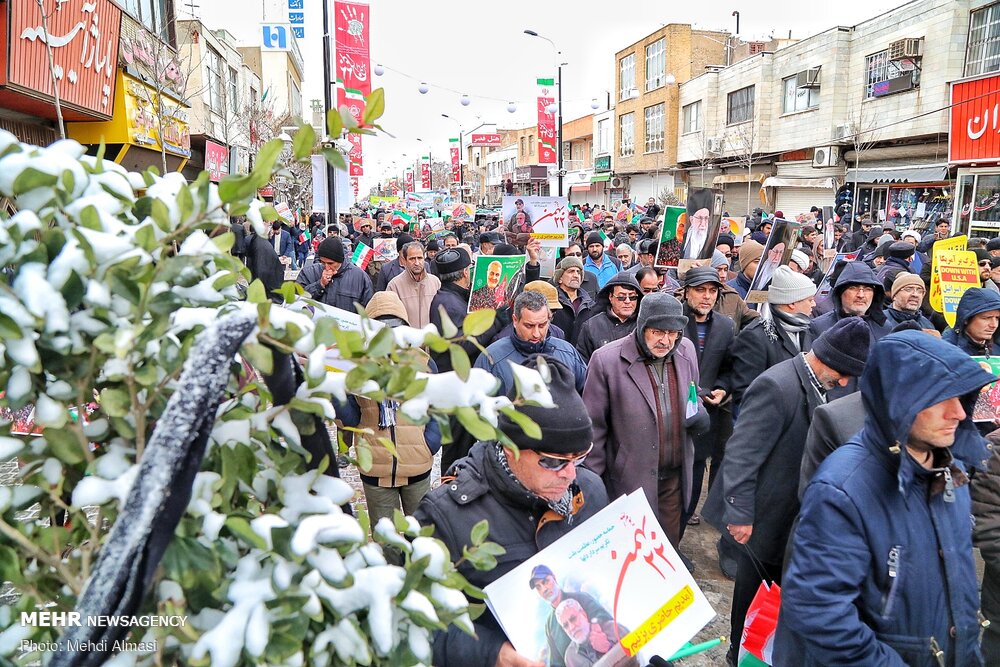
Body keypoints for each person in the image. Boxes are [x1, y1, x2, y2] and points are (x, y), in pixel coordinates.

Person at [775, 331, 994, 667]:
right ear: (900, 400)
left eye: (961, 397)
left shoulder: (952, 468)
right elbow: (821, 614)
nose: (959, 413)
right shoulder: (841, 489)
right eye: (941, 399)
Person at [414, 359, 608, 667]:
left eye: (580, 457)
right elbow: (412, 622)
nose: (570, 474)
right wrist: (493, 654)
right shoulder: (446, 515)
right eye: (554, 462)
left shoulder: (591, 490)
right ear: (510, 448)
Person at [704, 317, 871, 667]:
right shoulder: (776, 385)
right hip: (762, 520)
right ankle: (740, 652)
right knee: (752, 597)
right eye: (841, 372)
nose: (844, 382)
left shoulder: (829, 383)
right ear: (823, 356)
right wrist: (739, 514)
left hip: (792, 518)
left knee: (780, 596)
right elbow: (741, 453)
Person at [584, 293, 709, 548]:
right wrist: (591, 489)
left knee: (666, 553)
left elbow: (694, 393)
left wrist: (699, 412)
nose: (666, 340)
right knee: (629, 554)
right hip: (629, 482)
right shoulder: (607, 361)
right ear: (642, 327)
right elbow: (594, 431)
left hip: (673, 480)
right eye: (658, 332)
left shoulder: (686, 351)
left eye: (673, 333)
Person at [332, 292, 440, 545]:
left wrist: (430, 442)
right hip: (376, 469)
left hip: (417, 466)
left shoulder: (422, 362)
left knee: (422, 538)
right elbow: (351, 418)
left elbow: (438, 407)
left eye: (394, 327)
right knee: (386, 541)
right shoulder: (357, 367)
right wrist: (335, 389)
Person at [676, 267, 735, 537]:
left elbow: (729, 367)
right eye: (701, 290)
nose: (707, 297)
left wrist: (722, 388)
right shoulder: (673, 321)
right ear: (686, 292)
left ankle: (681, 529)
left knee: (694, 480)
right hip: (671, 413)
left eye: (712, 291)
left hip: (705, 418)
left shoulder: (725, 326)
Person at [730, 266, 817, 407]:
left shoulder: (805, 329)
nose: (814, 304)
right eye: (810, 300)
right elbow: (745, 392)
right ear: (792, 303)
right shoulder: (755, 337)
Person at [474, 291, 588, 396]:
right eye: (529, 326)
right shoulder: (491, 358)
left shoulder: (568, 352)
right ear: (515, 320)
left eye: (542, 325)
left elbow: (588, 396)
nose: (536, 334)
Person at [808, 261, 891, 400]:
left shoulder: (885, 328)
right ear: (840, 292)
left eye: (867, 289)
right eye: (853, 288)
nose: (861, 294)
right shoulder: (819, 327)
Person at [428, 248, 503, 374]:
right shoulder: (449, 303)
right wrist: (496, 321)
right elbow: (462, 345)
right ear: (465, 272)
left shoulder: (451, 296)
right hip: (454, 377)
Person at [528, 565, 615, 667]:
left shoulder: (582, 598)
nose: (543, 589)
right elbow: (557, 663)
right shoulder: (549, 625)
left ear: (554, 578)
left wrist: (596, 628)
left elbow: (606, 620)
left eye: (545, 582)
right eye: (538, 587)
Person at [575, 272, 643, 362]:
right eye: (621, 297)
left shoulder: (644, 326)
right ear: (610, 297)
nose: (627, 301)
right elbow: (582, 364)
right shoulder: (591, 326)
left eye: (632, 297)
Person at [297, 237, 373, 311]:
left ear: (340, 261)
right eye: (323, 262)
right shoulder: (308, 272)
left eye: (331, 263)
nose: (327, 267)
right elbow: (296, 301)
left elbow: (368, 309)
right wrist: (320, 285)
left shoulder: (360, 277)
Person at [555, 598, 636, 667]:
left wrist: (609, 649)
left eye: (573, 619)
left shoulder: (613, 628)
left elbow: (638, 657)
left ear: (583, 614)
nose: (572, 627)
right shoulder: (570, 657)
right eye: (565, 625)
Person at [387, 241, 441, 328]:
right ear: (404, 260)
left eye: (419, 258)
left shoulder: (435, 282)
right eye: (412, 259)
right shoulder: (394, 286)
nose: (417, 263)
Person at [551, 256, 597, 346]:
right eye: (571, 271)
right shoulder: (551, 301)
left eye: (578, 272)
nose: (576, 275)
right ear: (560, 278)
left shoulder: (590, 304)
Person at [942, 287, 1000, 356]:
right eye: (987, 318)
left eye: (997, 318)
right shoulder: (946, 349)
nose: (994, 325)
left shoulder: (997, 348)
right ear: (966, 319)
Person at [681, 189, 719, 261]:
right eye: (699, 218)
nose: (703, 224)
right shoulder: (681, 240)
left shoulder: (712, 241)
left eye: (706, 218)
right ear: (691, 220)